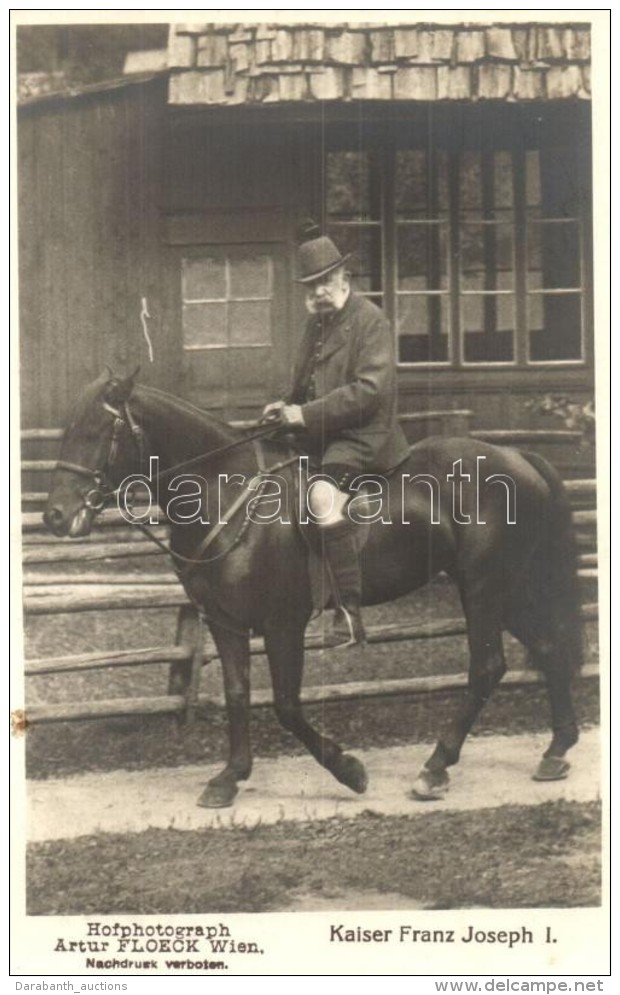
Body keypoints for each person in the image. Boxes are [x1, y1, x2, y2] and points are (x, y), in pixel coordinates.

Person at [262, 228, 410, 647]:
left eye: (325, 281)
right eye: (311, 285)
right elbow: (305, 383)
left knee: (323, 497)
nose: (319, 291)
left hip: (364, 434)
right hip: (321, 432)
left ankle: (347, 613)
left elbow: (369, 392)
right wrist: (284, 406)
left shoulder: (370, 321)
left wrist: (303, 414)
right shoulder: (316, 325)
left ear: (344, 275)